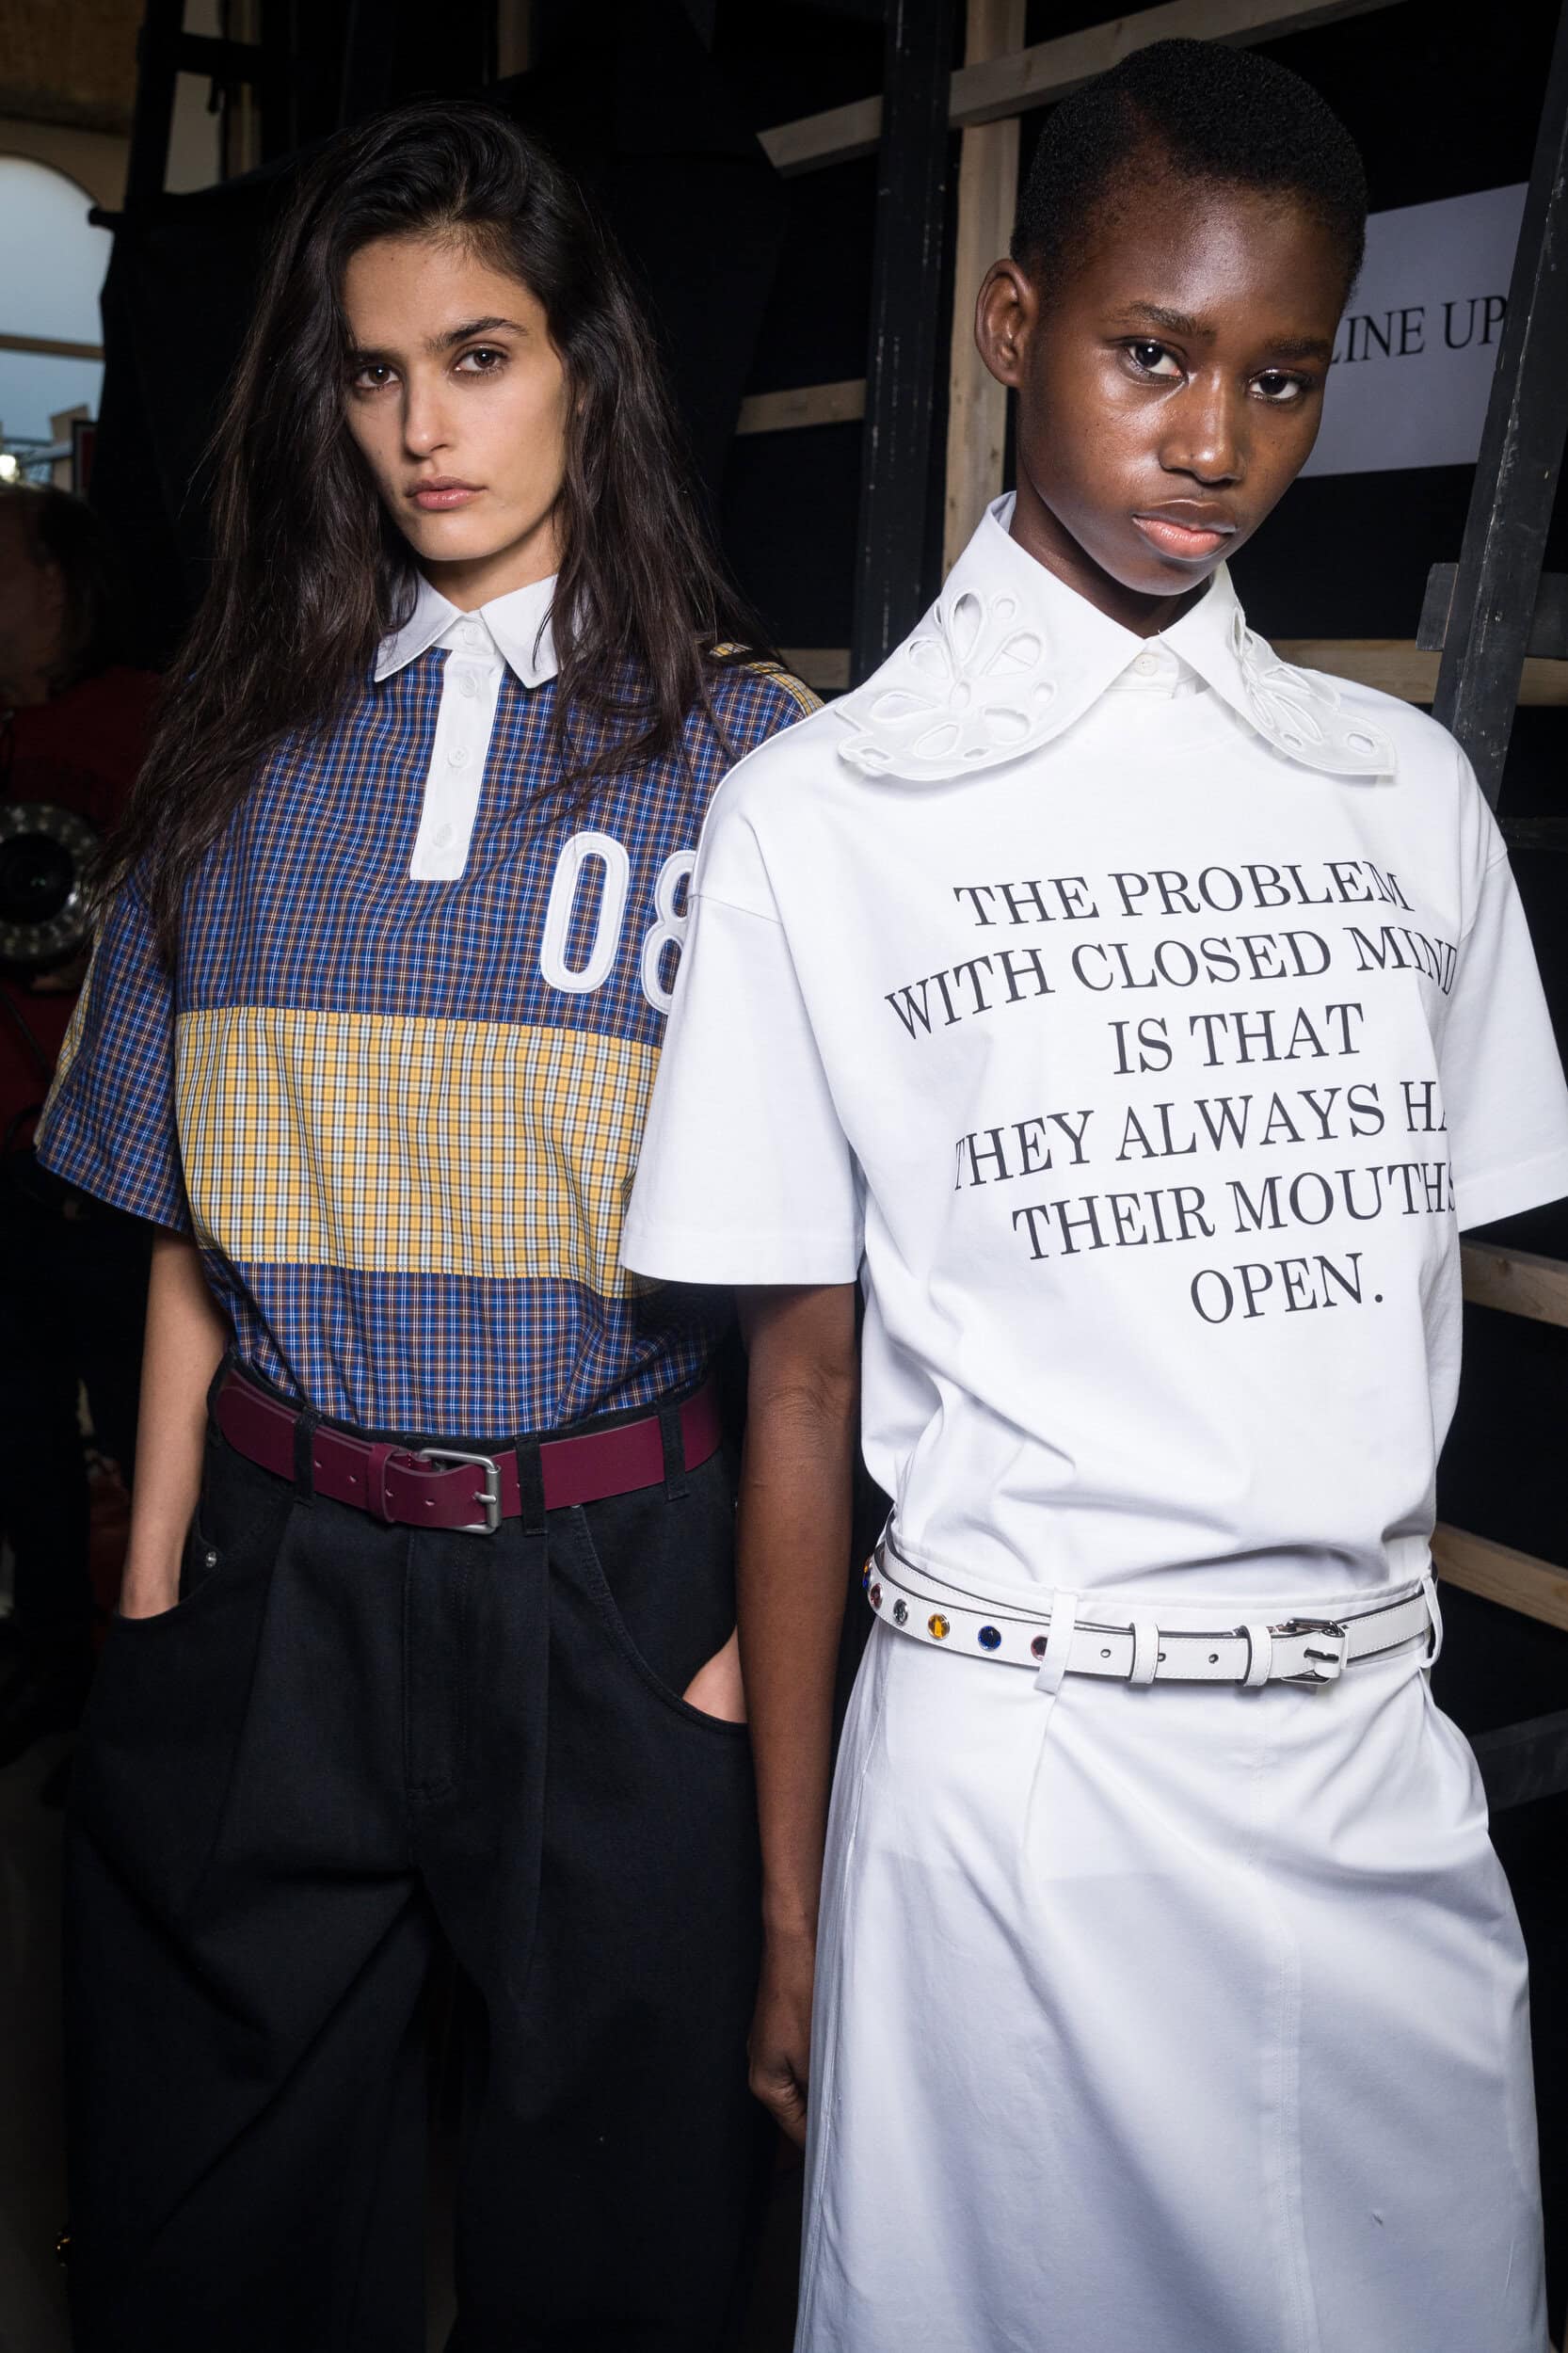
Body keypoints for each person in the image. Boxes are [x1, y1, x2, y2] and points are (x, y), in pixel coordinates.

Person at [623, 39, 1568, 2353]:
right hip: (1018, 1784)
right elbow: (797, 1389)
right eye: (1150, 353)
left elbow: (1390, 1307)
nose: (1211, 441)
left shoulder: (1401, 798)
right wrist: (789, 1917)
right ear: (1012, 321)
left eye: (1278, 376)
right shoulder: (820, 814)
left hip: (1366, 1766)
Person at [37, 102, 815, 2352]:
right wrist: (160, 1589)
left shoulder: (756, 763)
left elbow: (824, 1296)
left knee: (619, 2256)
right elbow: (181, 1221)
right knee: (209, 2235)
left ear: (585, 365)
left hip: (616, 1591)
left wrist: (739, 1659)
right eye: (374, 372)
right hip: (277, 1577)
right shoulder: (233, 748)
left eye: (477, 357)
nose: (420, 429)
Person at [0, 483, 156, 1765]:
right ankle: (52, 1668)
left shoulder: (148, 721)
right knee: (18, 1439)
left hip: (112, 1165)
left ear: (58, 579)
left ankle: (146, 1699)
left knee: (148, 1436)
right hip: (1, 1159)